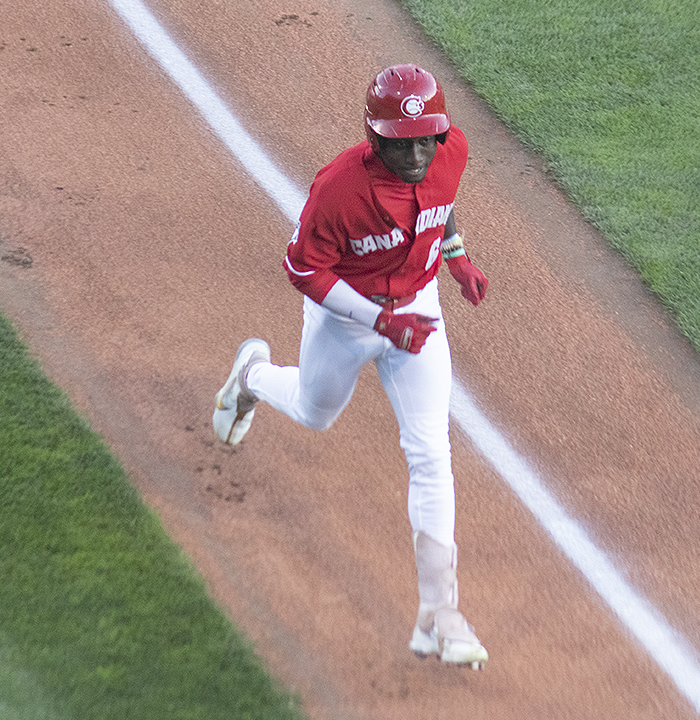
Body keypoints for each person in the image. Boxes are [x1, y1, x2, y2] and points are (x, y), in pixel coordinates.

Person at [213, 64, 489, 668]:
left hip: (418, 311)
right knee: (314, 413)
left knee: (430, 452)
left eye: (425, 140)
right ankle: (251, 378)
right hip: (345, 322)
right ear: (376, 137)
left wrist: (458, 256)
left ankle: (438, 612)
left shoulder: (451, 151)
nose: (416, 154)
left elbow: (438, 211)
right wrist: (377, 320)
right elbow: (302, 268)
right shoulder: (338, 189)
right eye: (401, 142)